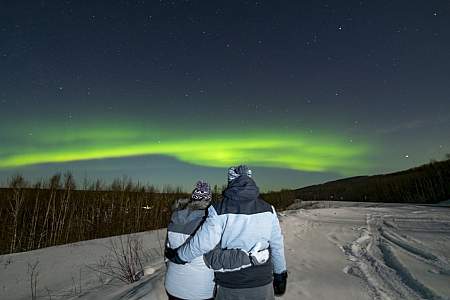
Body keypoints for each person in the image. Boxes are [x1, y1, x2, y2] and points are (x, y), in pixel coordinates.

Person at [166, 166, 288, 300]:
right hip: (262, 282)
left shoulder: (218, 209)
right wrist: (280, 274)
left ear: (230, 182)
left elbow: (203, 244)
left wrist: (179, 256)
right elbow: (277, 244)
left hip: (230, 284)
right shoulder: (269, 209)